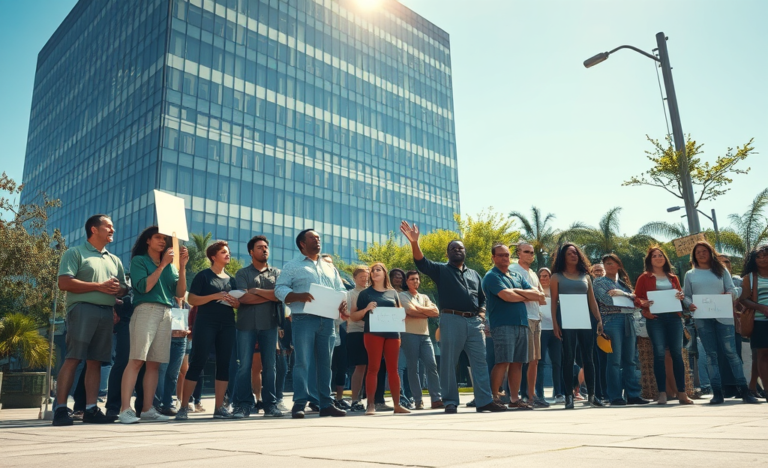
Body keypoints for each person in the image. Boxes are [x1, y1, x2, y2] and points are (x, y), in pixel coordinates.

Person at [400, 221, 506, 414]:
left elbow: (483, 299)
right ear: (447, 254)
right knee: (449, 362)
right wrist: (415, 243)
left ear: (465, 252)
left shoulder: (475, 274)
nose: (457, 250)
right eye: (453, 248)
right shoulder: (441, 270)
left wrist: (481, 316)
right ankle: (450, 401)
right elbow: (421, 263)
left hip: (474, 323)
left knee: (480, 362)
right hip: (451, 320)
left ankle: (484, 401)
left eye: (460, 248)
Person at [53, 215, 129, 426]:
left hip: (106, 313)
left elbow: (123, 287)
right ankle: (60, 409)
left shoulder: (115, 260)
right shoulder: (75, 253)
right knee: (74, 358)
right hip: (81, 310)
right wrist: (98, 286)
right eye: (109, 226)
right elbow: (64, 282)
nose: (113, 230)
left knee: (95, 361)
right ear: (94, 229)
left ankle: (90, 409)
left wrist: (117, 290)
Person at [274, 229, 348, 418]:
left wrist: (343, 302)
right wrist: (295, 295)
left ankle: (325, 404)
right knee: (303, 362)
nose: (317, 240)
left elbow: (340, 288)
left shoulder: (329, 267)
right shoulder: (292, 265)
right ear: (302, 244)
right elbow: (279, 288)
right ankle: (299, 403)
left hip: (328, 320)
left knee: (325, 364)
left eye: (318, 238)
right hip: (303, 319)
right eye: (312, 238)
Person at [117, 227, 188, 423]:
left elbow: (180, 293)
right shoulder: (139, 260)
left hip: (166, 312)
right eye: (158, 238)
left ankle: (148, 408)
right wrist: (163, 264)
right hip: (146, 309)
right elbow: (144, 286)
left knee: (155, 363)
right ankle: (125, 409)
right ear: (148, 240)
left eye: (164, 239)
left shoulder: (171, 267)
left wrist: (181, 267)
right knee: (137, 360)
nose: (162, 242)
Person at [684, 241, 758, 404]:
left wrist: (729, 295)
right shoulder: (690, 274)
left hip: (724, 316)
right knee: (711, 355)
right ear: (694, 256)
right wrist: (689, 304)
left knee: (731, 352)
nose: (701, 254)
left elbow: (732, 289)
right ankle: (717, 392)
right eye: (698, 252)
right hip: (702, 318)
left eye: (704, 251)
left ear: (711, 253)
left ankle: (744, 391)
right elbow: (686, 295)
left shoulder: (721, 270)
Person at [176, 241, 241, 420]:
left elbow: (236, 303)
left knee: (224, 364)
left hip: (227, 324)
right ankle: (183, 407)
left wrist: (236, 303)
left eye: (228, 252)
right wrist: (215, 296)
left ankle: (219, 408)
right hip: (205, 323)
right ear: (213, 256)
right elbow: (193, 299)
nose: (227, 255)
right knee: (197, 362)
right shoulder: (203, 276)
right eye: (223, 252)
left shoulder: (232, 279)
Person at [482, 244, 543, 409]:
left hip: (522, 323)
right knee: (503, 361)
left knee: (518, 363)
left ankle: (514, 399)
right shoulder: (491, 276)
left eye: (507, 255)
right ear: (493, 258)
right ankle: (493, 397)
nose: (505, 258)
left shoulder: (516, 275)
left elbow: (538, 294)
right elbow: (506, 296)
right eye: (501, 255)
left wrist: (516, 291)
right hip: (502, 324)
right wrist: (523, 295)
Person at [634, 247, 694, 405]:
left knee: (677, 354)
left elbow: (679, 294)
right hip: (655, 319)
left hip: (674, 318)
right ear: (650, 260)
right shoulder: (644, 278)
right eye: (654, 256)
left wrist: (680, 296)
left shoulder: (673, 277)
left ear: (665, 258)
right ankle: (662, 393)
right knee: (659, 354)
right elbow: (637, 298)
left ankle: (682, 392)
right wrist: (643, 303)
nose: (658, 258)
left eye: (660, 255)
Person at [232, 235, 283, 418]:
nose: (264, 250)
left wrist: (256, 291)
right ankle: (244, 405)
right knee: (244, 366)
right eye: (260, 247)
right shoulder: (242, 273)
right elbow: (243, 298)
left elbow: (279, 295)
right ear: (251, 252)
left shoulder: (276, 273)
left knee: (270, 367)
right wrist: (268, 295)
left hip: (269, 325)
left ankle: (271, 405)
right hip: (246, 325)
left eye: (266, 247)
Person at [350, 263, 410, 415]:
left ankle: (397, 405)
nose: (374, 272)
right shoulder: (365, 294)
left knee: (393, 369)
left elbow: (398, 312)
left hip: (393, 334)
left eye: (378, 270)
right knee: (373, 368)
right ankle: (371, 405)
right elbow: (354, 316)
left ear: (384, 273)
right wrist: (366, 309)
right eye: (372, 270)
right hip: (373, 333)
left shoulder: (393, 293)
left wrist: (402, 317)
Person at [550, 243, 604, 409]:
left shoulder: (586, 277)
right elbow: (553, 302)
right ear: (563, 257)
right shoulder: (556, 277)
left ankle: (593, 395)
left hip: (584, 317)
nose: (573, 256)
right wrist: (555, 324)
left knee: (589, 357)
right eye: (569, 253)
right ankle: (568, 396)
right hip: (565, 318)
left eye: (575, 253)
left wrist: (599, 319)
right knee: (568, 357)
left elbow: (592, 300)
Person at [592, 253, 647, 406]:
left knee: (630, 360)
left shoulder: (623, 284)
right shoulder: (599, 282)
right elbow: (607, 300)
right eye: (606, 264)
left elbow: (636, 300)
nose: (608, 266)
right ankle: (615, 396)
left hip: (629, 320)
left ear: (618, 265)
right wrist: (629, 298)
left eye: (611, 263)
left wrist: (623, 294)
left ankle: (633, 394)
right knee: (614, 360)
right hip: (612, 321)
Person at [511, 243, 549, 408]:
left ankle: (531, 396)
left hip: (536, 318)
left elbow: (542, 298)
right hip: (522, 318)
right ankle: (515, 396)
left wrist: (532, 294)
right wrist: (533, 294)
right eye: (527, 252)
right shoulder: (513, 269)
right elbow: (514, 294)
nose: (531, 255)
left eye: (532, 253)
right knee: (519, 360)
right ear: (518, 253)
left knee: (534, 360)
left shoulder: (533, 273)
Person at [400, 270, 443, 410]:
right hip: (409, 334)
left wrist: (418, 308)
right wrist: (425, 312)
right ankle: (418, 400)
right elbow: (409, 311)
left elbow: (436, 312)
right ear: (406, 281)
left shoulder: (424, 297)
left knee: (432, 365)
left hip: (425, 335)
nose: (415, 282)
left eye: (417, 279)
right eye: (412, 279)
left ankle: (436, 399)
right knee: (413, 368)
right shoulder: (402, 295)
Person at [739, 245, 768, 403]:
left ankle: (753, 387)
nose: (763, 259)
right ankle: (766, 390)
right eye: (759, 256)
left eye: (765, 255)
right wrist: (761, 307)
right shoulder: (750, 277)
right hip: (759, 321)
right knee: (762, 354)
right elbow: (743, 299)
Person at [155, 296, 191, 416]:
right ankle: (157, 403)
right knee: (161, 371)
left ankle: (168, 403)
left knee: (173, 374)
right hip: (166, 339)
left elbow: (189, 325)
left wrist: (188, 331)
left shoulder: (186, 305)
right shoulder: (166, 301)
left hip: (181, 341)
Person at [535, 267, 564, 403]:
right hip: (540, 330)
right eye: (541, 276)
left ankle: (558, 393)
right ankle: (538, 394)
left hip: (555, 331)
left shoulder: (556, 293)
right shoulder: (535, 292)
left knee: (557, 363)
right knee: (539, 363)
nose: (544, 278)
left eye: (546, 276)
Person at [346, 266, 370, 411]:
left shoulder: (372, 293)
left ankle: (371, 399)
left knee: (371, 367)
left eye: (367, 276)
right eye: (361, 277)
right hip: (356, 332)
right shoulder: (350, 294)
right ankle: (355, 399)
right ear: (354, 278)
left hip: (372, 332)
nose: (365, 279)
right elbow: (350, 315)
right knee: (360, 366)